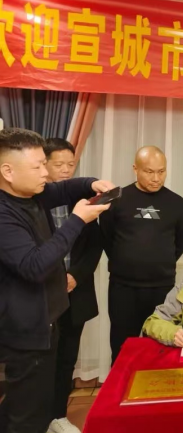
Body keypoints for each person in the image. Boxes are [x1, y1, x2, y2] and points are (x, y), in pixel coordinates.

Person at [0, 128, 113, 433]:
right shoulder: (4, 213)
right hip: (26, 331)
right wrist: (77, 220)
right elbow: (34, 266)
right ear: (8, 171)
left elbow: (64, 189)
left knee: (32, 403)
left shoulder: (30, 194)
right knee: (27, 414)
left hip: (48, 321)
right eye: (37, 166)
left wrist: (91, 183)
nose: (45, 173)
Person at [100, 146, 183, 363]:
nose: (156, 178)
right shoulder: (116, 199)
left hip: (162, 287)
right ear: (135, 169)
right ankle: (122, 385)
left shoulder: (178, 204)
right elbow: (106, 239)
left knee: (161, 346)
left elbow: (179, 244)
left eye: (161, 171)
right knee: (122, 346)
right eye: (149, 172)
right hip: (123, 288)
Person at [44, 139, 103, 434]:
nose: (66, 170)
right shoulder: (31, 200)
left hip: (74, 291)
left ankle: (58, 415)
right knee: (40, 361)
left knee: (67, 357)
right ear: (43, 164)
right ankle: (35, 416)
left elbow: (94, 245)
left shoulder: (82, 198)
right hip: (42, 295)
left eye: (71, 164)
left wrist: (75, 275)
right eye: (59, 164)